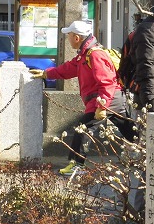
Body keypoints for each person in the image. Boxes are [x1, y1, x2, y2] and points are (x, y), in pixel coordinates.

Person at [30, 20, 135, 175]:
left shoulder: (95, 55)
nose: (68, 39)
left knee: (83, 129)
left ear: (77, 37)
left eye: (69, 35)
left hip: (105, 99)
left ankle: (77, 165)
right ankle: (146, 152)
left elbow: (106, 82)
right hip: (111, 98)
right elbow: (68, 69)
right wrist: (46, 73)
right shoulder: (85, 55)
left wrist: (102, 106)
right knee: (129, 129)